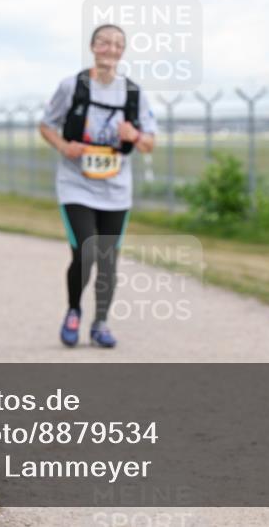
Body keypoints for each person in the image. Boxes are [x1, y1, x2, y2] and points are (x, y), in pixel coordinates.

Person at [39, 24, 157, 348]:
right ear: (93, 47)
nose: (111, 48)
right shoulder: (72, 86)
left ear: (123, 51)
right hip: (76, 184)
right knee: (85, 253)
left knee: (108, 260)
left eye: (118, 44)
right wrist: (65, 147)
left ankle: (100, 322)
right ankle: (74, 309)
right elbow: (46, 126)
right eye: (104, 42)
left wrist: (135, 136)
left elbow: (150, 143)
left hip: (116, 190)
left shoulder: (134, 93)